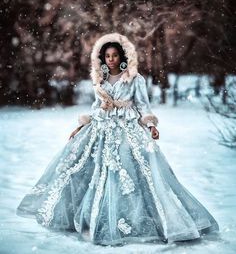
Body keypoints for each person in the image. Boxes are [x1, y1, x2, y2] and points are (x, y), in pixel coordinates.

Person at [16, 32, 219, 246]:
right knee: (87, 169)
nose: (111, 59)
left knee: (131, 172)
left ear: (122, 57)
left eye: (114, 55)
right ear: (102, 59)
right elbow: (96, 107)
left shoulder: (135, 79)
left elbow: (143, 106)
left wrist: (150, 125)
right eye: (107, 56)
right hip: (101, 127)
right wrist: (81, 125)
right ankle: (93, 218)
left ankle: (138, 220)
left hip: (126, 129)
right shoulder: (100, 80)